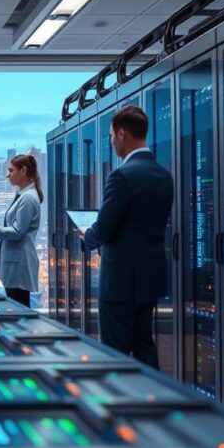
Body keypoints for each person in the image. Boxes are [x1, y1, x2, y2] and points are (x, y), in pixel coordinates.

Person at [76, 105, 174, 369]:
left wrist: (87, 235)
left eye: (110, 135)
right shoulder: (164, 176)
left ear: (121, 134)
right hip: (149, 279)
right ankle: (155, 400)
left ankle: (119, 406)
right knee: (144, 346)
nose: (111, 141)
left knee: (114, 353)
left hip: (120, 282)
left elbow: (105, 228)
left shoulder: (122, 176)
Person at [0, 154, 43, 307]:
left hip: (19, 264)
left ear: (23, 170)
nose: (7, 175)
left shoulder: (28, 198)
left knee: (19, 308)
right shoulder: (24, 196)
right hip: (16, 262)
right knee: (18, 306)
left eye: (11, 171)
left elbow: (17, 232)